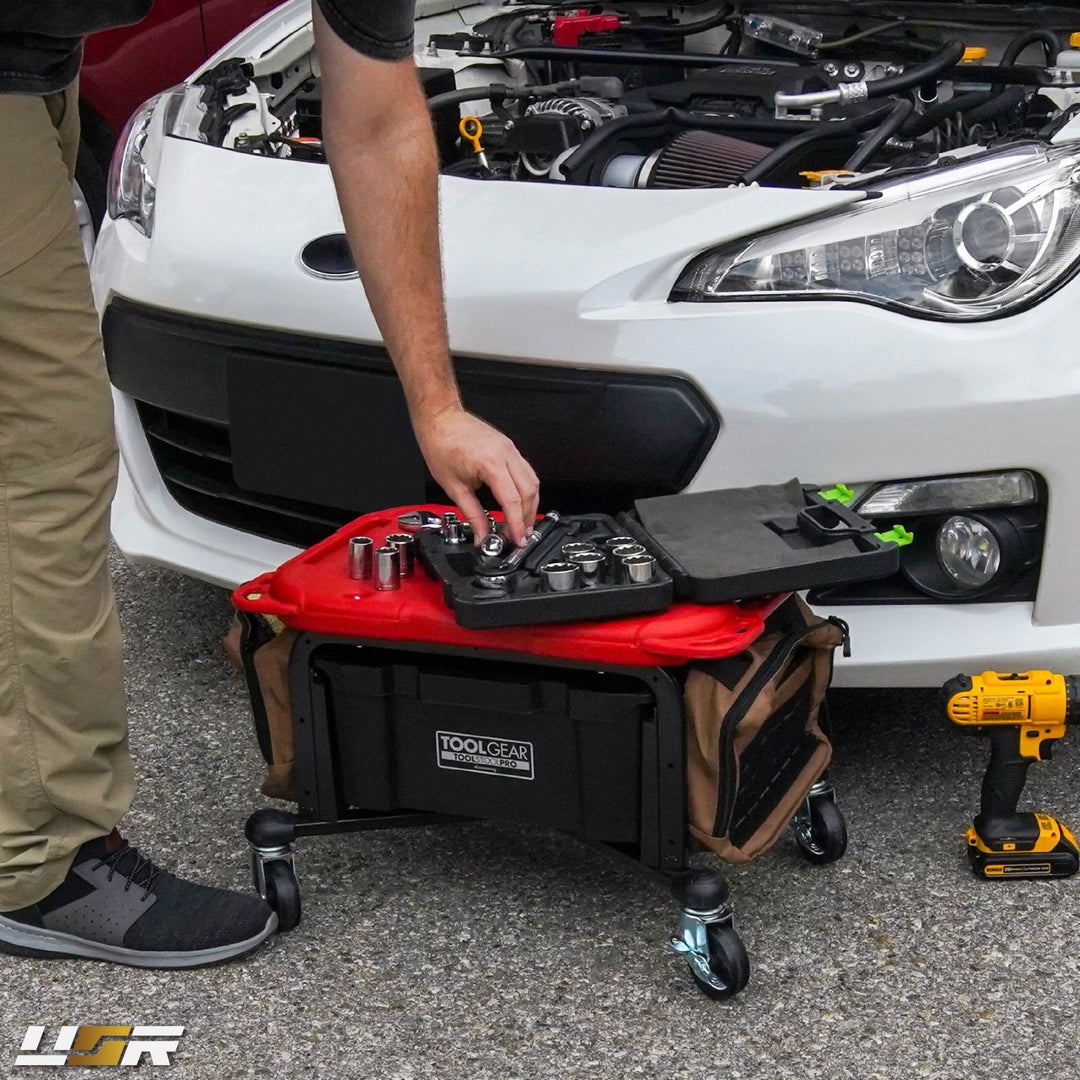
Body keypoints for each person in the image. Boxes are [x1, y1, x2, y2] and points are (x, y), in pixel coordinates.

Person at [0, 0, 539, 968]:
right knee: (41, 457)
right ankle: (40, 863)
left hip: (32, 59)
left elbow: (374, 121)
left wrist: (437, 406)